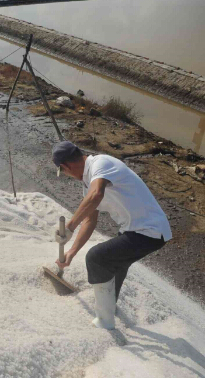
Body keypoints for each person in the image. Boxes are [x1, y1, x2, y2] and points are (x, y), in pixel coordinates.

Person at [52, 140, 171, 330]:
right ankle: (109, 305)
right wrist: (71, 252)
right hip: (135, 230)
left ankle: (105, 321)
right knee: (116, 265)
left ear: (65, 166)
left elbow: (96, 195)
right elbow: (90, 221)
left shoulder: (101, 164)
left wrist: (70, 226)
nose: (66, 175)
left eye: (63, 171)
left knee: (96, 257)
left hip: (150, 230)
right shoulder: (88, 183)